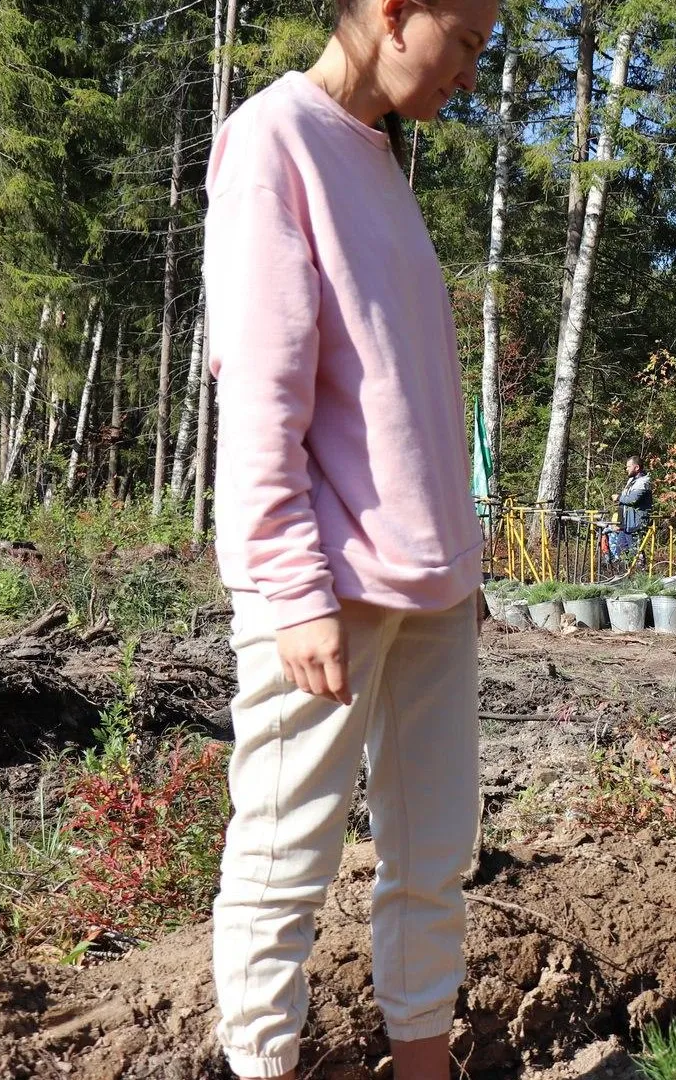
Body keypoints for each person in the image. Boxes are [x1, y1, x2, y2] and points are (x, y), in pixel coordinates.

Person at [202, 0, 496, 1076]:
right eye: (466, 41)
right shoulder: (274, 140)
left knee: (433, 861)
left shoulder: (376, 159)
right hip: (325, 587)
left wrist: (460, 562)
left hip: (429, 592)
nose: (471, 73)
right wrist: (289, 587)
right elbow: (263, 390)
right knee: (283, 863)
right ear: (395, 12)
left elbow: (403, 399)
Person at [611, 456, 654, 564]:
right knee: (621, 549)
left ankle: (640, 577)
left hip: (636, 523)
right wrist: (619, 523)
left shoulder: (643, 482)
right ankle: (625, 577)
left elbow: (632, 500)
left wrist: (619, 497)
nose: (626, 469)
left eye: (628, 467)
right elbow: (624, 504)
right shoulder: (631, 481)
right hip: (626, 523)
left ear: (637, 467)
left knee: (636, 551)